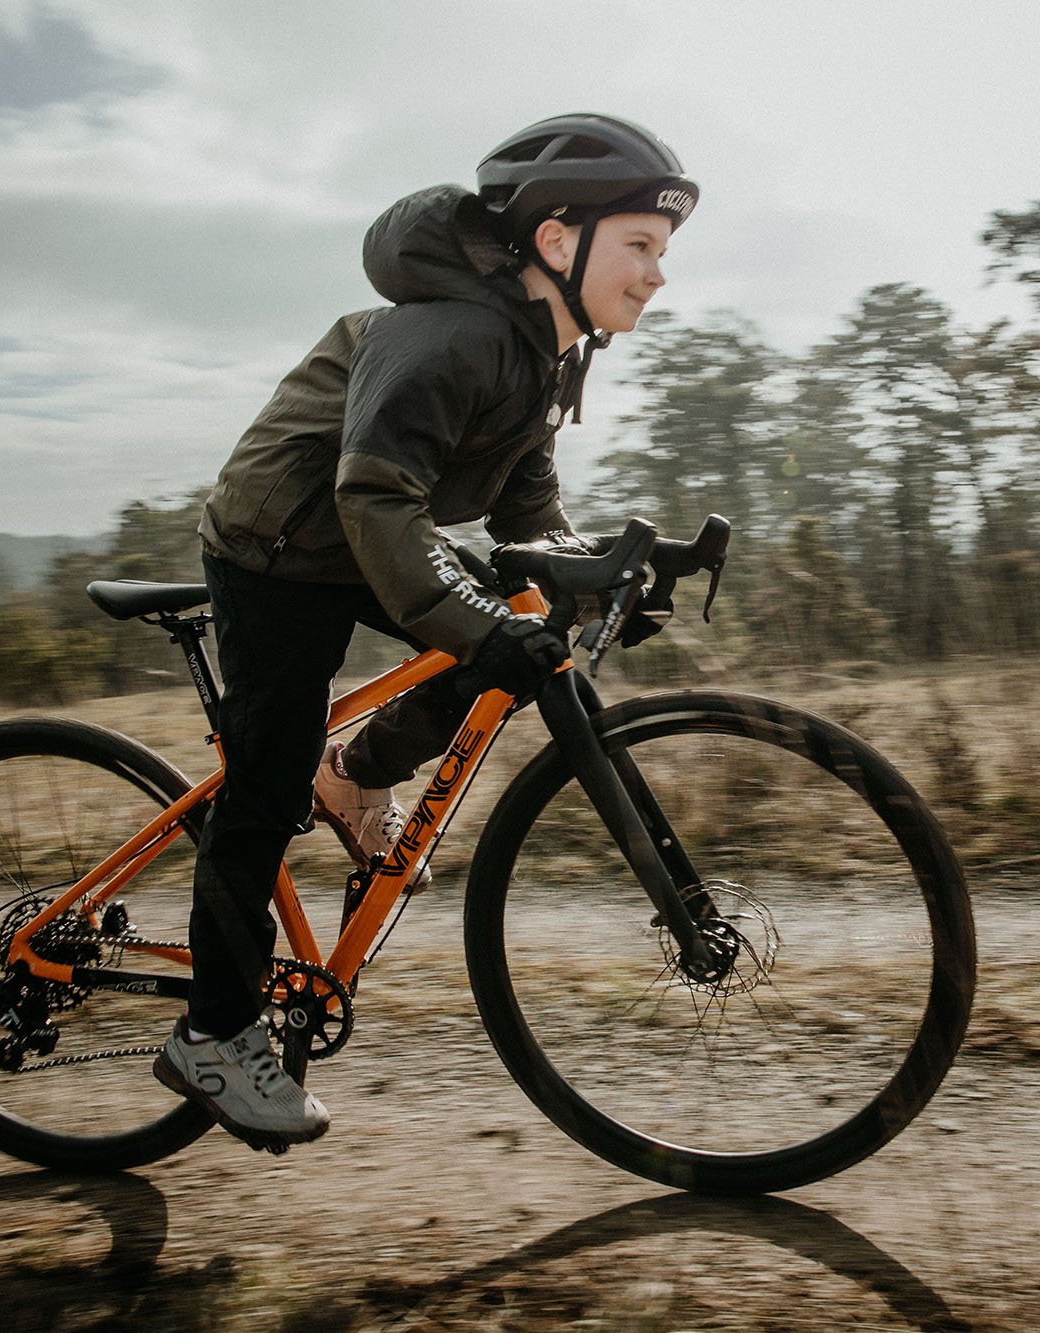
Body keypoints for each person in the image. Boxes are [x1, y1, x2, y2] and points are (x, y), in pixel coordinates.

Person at [152, 113, 698, 1150]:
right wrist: (484, 619)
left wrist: (602, 575)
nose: (655, 276)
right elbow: (374, 494)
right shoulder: (448, 335)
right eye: (639, 246)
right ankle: (214, 1033)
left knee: (515, 630)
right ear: (555, 241)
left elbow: (528, 518)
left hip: (362, 537)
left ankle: (358, 773)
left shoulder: (544, 350)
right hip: (279, 546)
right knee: (265, 786)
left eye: (661, 254)